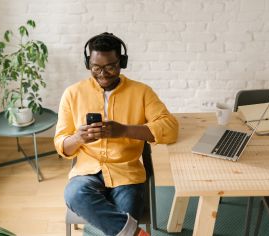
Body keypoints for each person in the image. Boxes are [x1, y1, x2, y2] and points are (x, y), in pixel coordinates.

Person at [54, 32, 179, 236]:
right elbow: (61, 145)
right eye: (96, 67)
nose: (102, 73)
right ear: (88, 64)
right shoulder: (72, 94)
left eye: (110, 66)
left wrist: (124, 130)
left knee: (126, 213)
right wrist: (79, 138)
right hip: (87, 172)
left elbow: (170, 128)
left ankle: (129, 232)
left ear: (122, 62)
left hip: (127, 173)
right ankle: (135, 233)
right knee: (74, 194)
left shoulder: (142, 92)